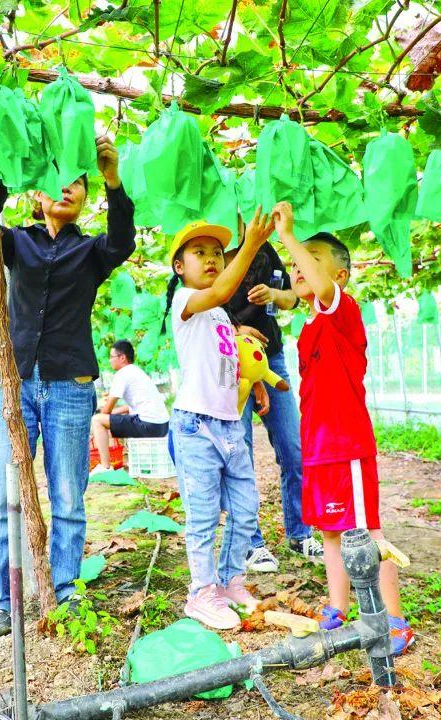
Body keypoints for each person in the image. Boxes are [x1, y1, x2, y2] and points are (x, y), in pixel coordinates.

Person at [0, 134, 136, 639]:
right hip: (12, 382)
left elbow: (123, 240)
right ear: (37, 193)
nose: (66, 187)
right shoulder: (16, 241)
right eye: (54, 181)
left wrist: (113, 180)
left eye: (77, 182)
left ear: (85, 195)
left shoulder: (92, 252)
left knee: (68, 496)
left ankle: (63, 592)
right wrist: (13, 172)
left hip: (69, 384)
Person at [271, 203, 414, 654]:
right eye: (296, 262)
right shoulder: (310, 324)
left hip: (345, 447)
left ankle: (394, 620)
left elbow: (321, 287)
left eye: (311, 260)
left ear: (340, 276)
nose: (299, 265)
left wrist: (290, 236)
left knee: (366, 533)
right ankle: (338, 609)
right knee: (331, 534)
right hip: (319, 450)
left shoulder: (342, 312)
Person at [166, 211, 275, 631]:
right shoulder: (187, 302)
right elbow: (224, 288)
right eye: (199, 253)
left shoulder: (221, 317)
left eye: (216, 252)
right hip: (197, 427)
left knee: (246, 511)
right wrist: (250, 244)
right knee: (204, 515)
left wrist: (256, 384)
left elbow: (229, 363)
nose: (211, 259)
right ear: (180, 267)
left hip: (231, 424)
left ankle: (230, 582)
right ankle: (201, 592)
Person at [225, 233, 323, 573]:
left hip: (271, 359)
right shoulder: (213, 254)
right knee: (240, 455)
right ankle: (251, 544)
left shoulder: (264, 249)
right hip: (230, 365)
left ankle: (300, 533)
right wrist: (237, 331)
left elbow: (293, 297)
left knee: (294, 448)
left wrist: (273, 294)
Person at [90, 340, 169, 474]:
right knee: (109, 421)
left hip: (148, 426)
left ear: (122, 357)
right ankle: (123, 460)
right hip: (161, 426)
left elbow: (107, 410)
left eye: (112, 357)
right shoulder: (136, 371)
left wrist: (103, 416)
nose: (110, 360)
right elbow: (129, 407)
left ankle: (105, 467)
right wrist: (112, 415)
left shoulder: (122, 374)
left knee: (97, 420)